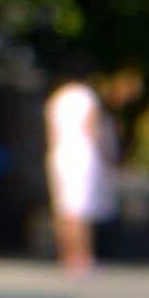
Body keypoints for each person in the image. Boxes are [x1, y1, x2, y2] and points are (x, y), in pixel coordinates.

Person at [44, 74, 112, 278]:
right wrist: (105, 154)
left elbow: (51, 132)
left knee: (63, 208)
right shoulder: (85, 96)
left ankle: (66, 255)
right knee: (81, 210)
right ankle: (83, 257)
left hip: (59, 155)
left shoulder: (57, 98)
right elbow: (91, 128)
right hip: (83, 155)